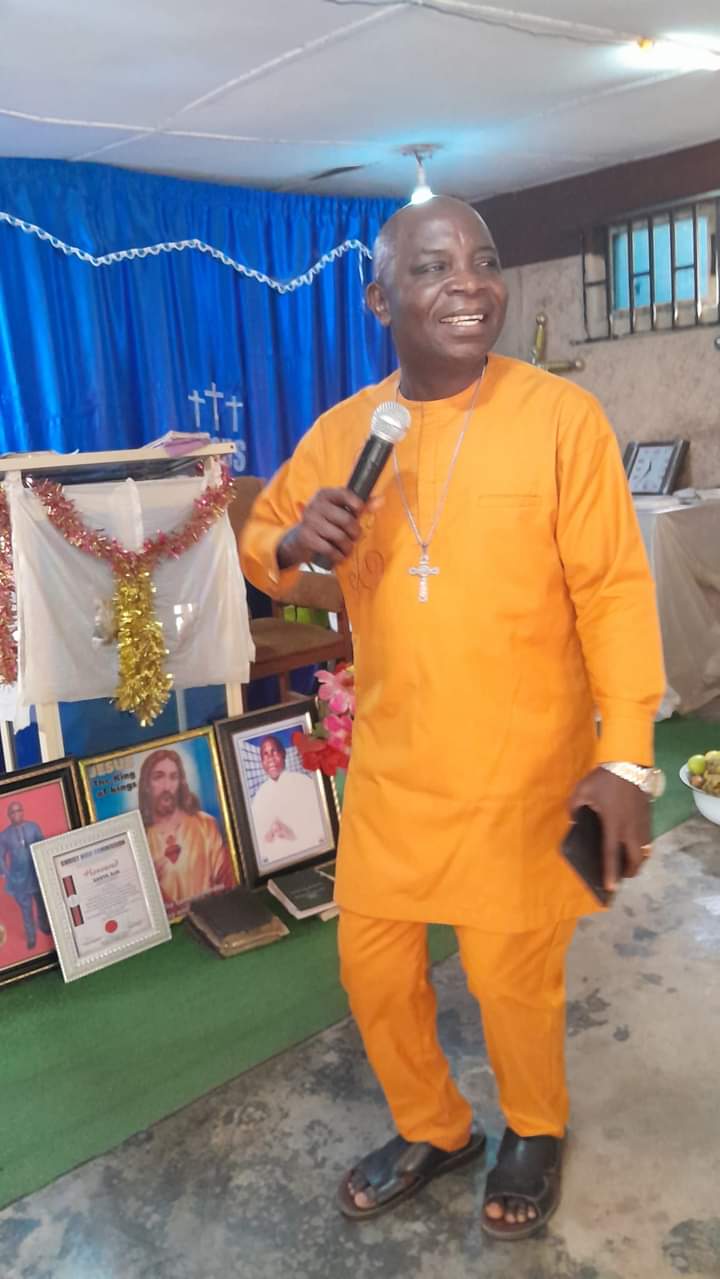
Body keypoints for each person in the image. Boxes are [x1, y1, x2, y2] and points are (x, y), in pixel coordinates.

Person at [240, 196, 665, 1240]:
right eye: (433, 267)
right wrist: (293, 543)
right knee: (373, 969)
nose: (469, 282)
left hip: (525, 769)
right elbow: (264, 544)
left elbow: (614, 594)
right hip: (396, 769)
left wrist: (626, 758)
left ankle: (534, 1127)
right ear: (380, 299)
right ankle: (434, 1126)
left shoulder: (561, 418)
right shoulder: (347, 431)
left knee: (511, 978)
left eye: (483, 260)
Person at [138, 749, 233, 912]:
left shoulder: (205, 824)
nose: (167, 786)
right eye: (158, 777)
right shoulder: (140, 838)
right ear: (146, 785)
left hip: (212, 914)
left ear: (180, 783)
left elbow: (226, 881)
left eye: (173, 777)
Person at [250, 735, 326, 863]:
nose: (270, 758)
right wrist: (268, 836)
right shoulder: (259, 797)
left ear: (283, 754)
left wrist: (293, 834)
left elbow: (322, 831)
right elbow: (258, 844)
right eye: (265, 754)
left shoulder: (304, 783)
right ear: (262, 762)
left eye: (274, 752)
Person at [0, 801, 52, 950]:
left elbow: (43, 845)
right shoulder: (4, 835)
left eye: (18, 811)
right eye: (12, 812)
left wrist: (45, 865)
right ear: (8, 816)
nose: (16, 814)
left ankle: (44, 925)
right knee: (26, 909)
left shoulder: (33, 827)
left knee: (41, 903)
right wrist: (5, 873)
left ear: (23, 812)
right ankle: (31, 936)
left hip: (36, 874)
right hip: (19, 879)